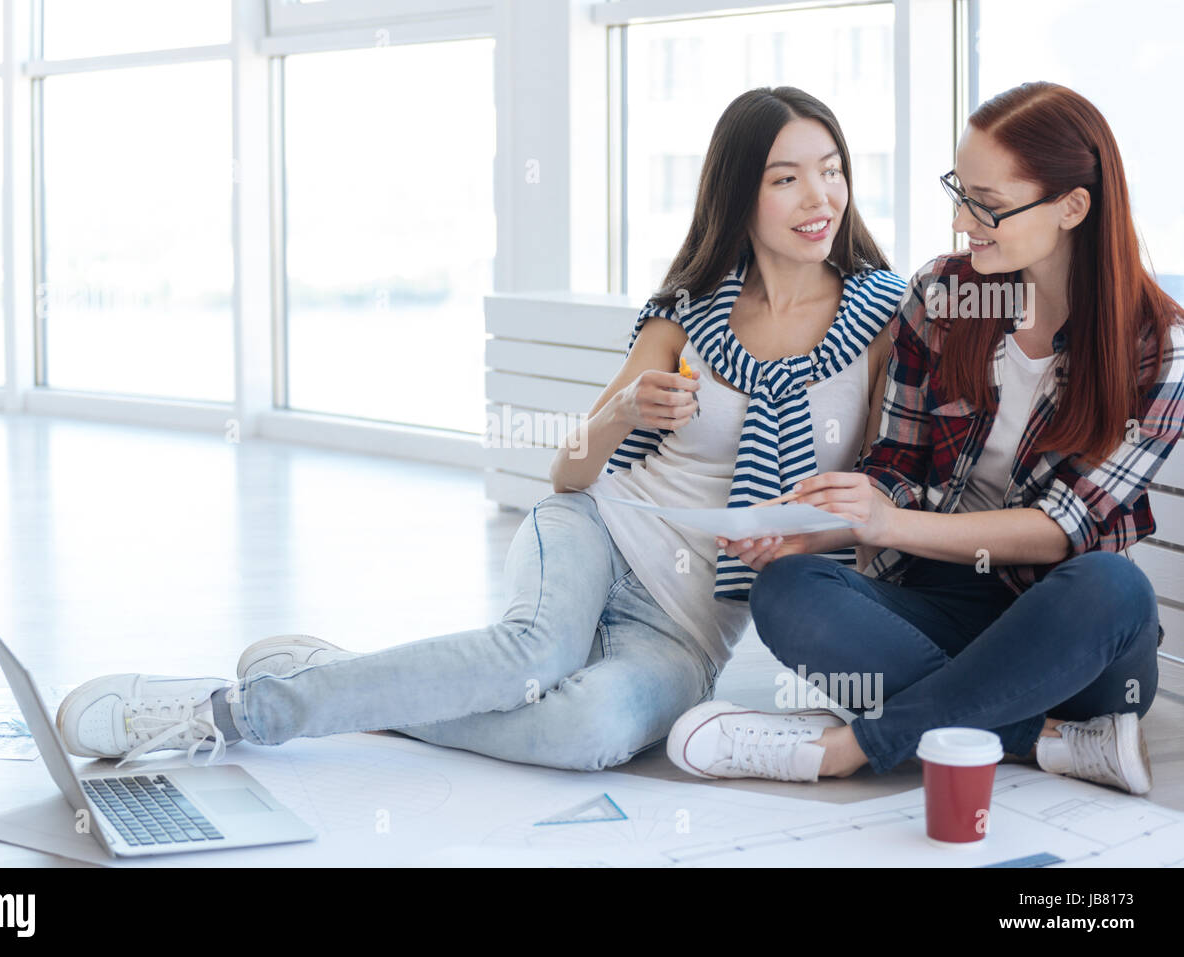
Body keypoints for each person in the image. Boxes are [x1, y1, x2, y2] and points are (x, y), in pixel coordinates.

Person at [53, 87, 904, 772]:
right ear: (739, 193)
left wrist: (799, 543)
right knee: (528, 655)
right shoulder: (686, 314)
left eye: (830, 170)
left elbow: (879, 500)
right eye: (785, 176)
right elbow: (569, 473)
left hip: (688, 627)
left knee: (588, 731)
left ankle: (355, 680)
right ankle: (230, 712)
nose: (818, 196)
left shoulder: (882, 318)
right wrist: (622, 410)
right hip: (600, 532)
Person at [668, 82, 1184, 794]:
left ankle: (848, 746)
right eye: (959, 191)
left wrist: (891, 522)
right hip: (942, 605)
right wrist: (831, 522)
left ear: (1072, 207)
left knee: (1115, 585)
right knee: (788, 588)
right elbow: (898, 464)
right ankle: (1041, 738)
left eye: (988, 204)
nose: (959, 221)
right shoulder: (940, 295)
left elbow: (1063, 530)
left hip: (1071, 631)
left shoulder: (1159, 345)